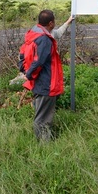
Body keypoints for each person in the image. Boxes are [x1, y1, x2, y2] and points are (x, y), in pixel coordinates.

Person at [22, 10, 67, 141]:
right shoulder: (45, 40)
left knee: (40, 112)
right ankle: (44, 146)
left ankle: (43, 141)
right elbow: (39, 61)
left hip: (38, 82)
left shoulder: (34, 32)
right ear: (51, 23)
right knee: (43, 118)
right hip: (46, 83)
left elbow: (23, 53)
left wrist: (26, 73)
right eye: (54, 22)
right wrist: (29, 74)